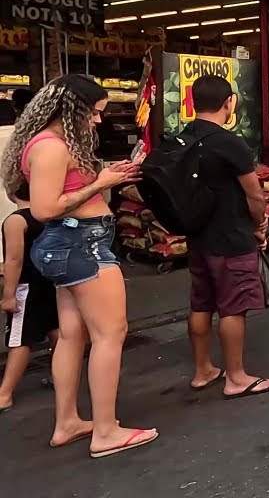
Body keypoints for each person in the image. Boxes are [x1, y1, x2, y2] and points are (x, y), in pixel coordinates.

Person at [0, 74, 157, 457]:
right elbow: (44, 207)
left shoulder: (45, 144)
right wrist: (97, 183)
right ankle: (106, 430)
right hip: (80, 243)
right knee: (110, 333)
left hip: (69, 245)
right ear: (72, 109)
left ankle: (68, 422)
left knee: (73, 335)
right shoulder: (52, 147)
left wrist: (107, 178)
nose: (97, 120)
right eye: (95, 112)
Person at [182, 76, 269, 399]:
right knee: (233, 306)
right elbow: (254, 194)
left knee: (201, 302)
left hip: (198, 233)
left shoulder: (182, 138)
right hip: (231, 233)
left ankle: (202, 370)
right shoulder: (229, 143)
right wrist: (260, 224)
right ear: (229, 102)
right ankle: (236, 376)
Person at [0, 186, 56, 413]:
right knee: (57, 331)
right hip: (52, 282)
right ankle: (59, 376)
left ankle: (4, 394)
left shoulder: (15, 221)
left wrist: (8, 295)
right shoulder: (51, 215)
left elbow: (13, 261)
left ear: (9, 190)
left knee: (20, 339)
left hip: (27, 286)